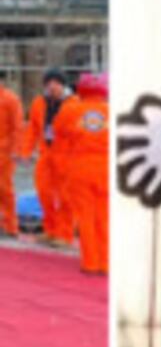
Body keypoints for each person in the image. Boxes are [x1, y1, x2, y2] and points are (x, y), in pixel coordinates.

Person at [53, 72, 108, 275]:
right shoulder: (112, 111)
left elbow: (58, 131)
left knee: (85, 216)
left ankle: (90, 262)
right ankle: (106, 262)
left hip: (80, 167)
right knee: (104, 216)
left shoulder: (70, 110)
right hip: (106, 168)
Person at [19, 69, 75, 246]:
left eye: (56, 82)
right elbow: (33, 130)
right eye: (49, 83)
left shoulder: (74, 104)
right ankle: (50, 230)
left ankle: (64, 234)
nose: (52, 86)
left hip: (66, 156)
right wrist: (26, 151)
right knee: (44, 194)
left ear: (62, 84)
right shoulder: (39, 103)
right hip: (46, 154)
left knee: (65, 197)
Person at [0, 75, 23, 239]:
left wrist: (15, 150)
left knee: (5, 189)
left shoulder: (10, 99)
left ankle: (10, 226)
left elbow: (17, 127)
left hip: (5, 152)